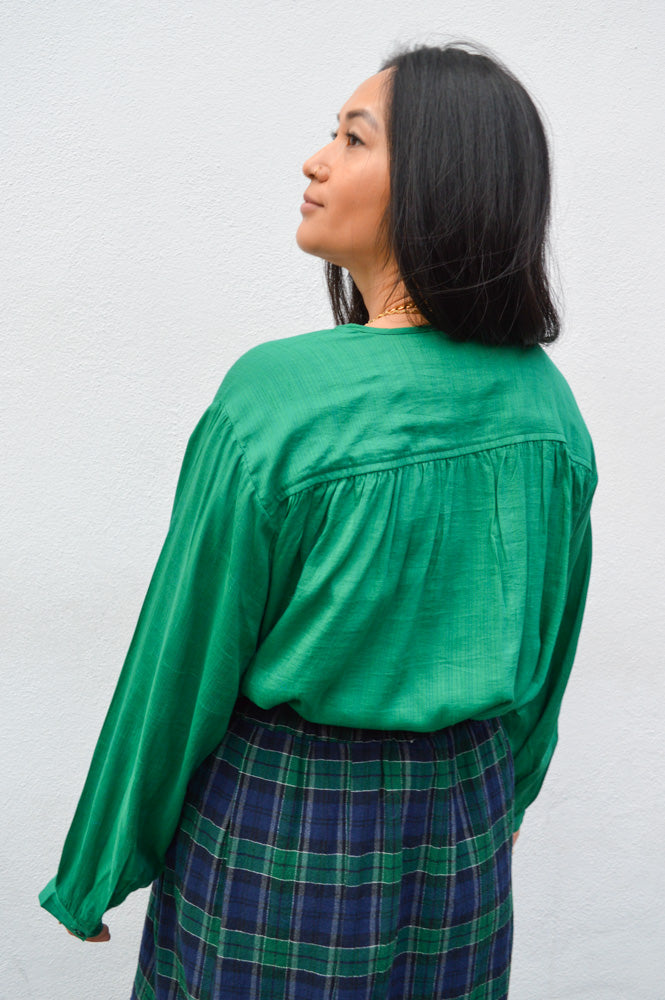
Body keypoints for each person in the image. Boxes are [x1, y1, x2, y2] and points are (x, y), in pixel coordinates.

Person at [38, 40, 598, 1000]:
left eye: (354, 139)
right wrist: (490, 809)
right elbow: (545, 665)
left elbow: (182, 660)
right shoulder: (547, 409)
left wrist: (99, 864)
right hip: (462, 843)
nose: (316, 161)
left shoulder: (281, 398)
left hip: (286, 826)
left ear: (436, 179)